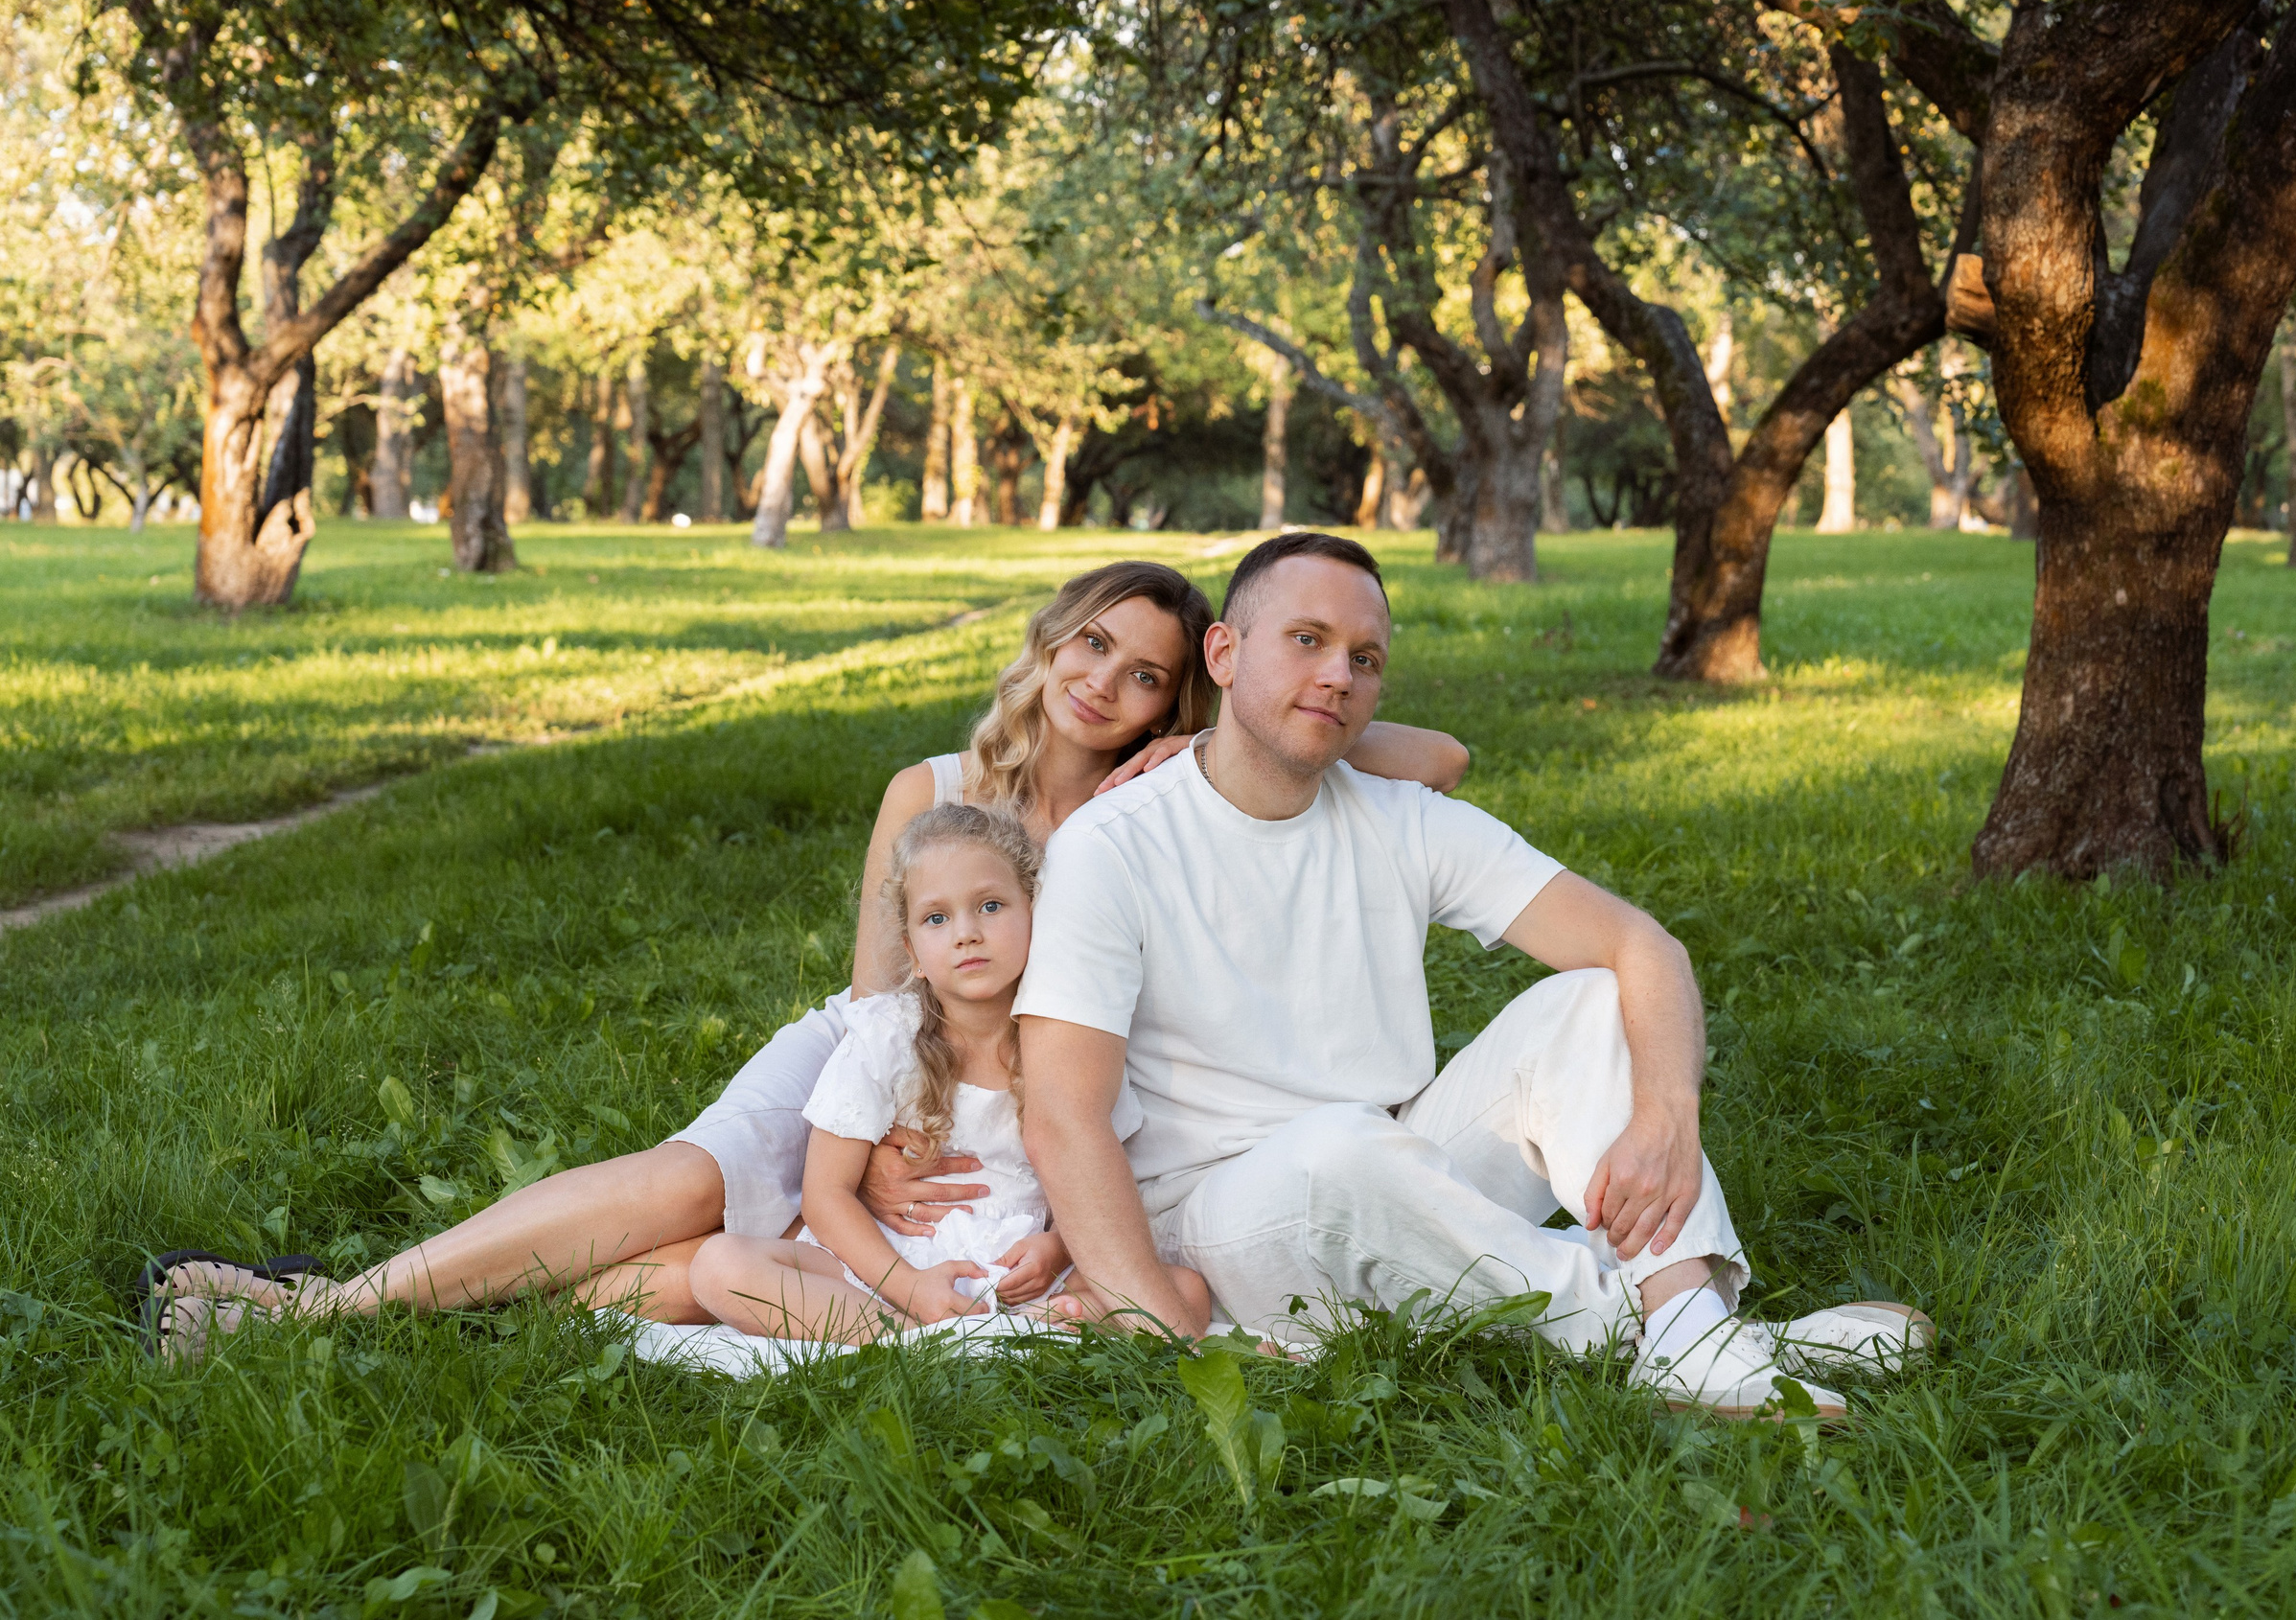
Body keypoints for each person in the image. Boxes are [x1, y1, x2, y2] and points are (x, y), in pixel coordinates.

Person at [148, 561, 1463, 1349]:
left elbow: (1435, 757)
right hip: (872, 1061)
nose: (1103, 682)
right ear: (1051, 641)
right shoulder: (933, 783)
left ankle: (403, 1305)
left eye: (1145, 674)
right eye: (1091, 644)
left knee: (710, 1265)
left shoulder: (1156, 813)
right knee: (685, 1188)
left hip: (1020, 1098)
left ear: (1180, 695)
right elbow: (879, 993)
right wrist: (897, 1128)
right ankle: (325, 1312)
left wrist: (1231, 725)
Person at [1015, 534, 1933, 1420]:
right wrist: (1156, 1313)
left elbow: (1646, 946)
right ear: (1222, 651)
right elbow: (1064, 1110)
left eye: (1364, 658)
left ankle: (1687, 1329)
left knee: (1591, 998)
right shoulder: (1115, 843)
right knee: (1337, 1150)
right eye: (1307, 640)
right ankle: (1692, 1324)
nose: (1338, 674)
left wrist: (1667, 1114)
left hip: (1395, 1161)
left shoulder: (1400, 818)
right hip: (1215, 1221)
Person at [686, 804, 1206, 1341]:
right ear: (913, 952)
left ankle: (1000, 1332)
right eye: (937, 918)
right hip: (890, 1269)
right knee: (719, 1265)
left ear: (1036, 914)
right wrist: (907, 1285)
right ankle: (917, 1339)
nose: (966, 933)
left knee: (1184, 1291)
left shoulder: (1070, 1038)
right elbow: (825, 1194)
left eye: (990, 905)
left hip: (1019, 1270)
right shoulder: (885, 1036)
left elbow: (1098, 1178)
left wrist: (1058, 1248)